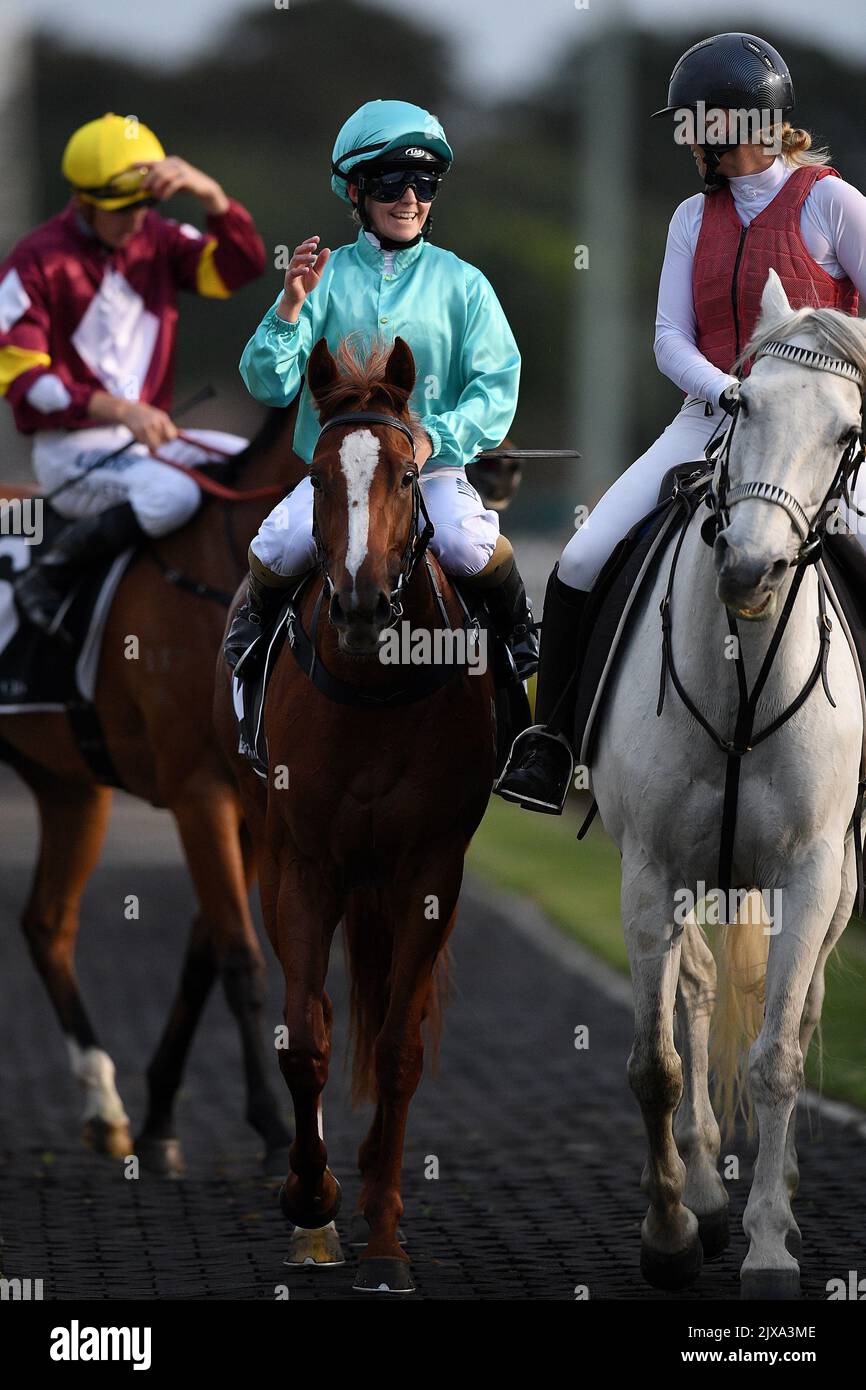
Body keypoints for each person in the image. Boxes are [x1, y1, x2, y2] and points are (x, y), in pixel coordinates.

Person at [497, 31, 866, 813]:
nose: (691, 141)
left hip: (817, 437)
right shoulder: (692, 218)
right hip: (708, 420)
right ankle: (551, 745)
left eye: (702, 124)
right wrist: (729, 393)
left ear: (749, 124)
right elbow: (669, 338)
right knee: (581, 559)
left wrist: (826, 405)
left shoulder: (834, 204)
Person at [224, 99, 536, 682]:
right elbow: (269, 384)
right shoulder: (322, 278)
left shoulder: (465, 285)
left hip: (432, 470)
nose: (410, 197)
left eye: (424, 182)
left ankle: (520, 649)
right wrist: (290, 306)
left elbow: (496, 386)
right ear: (356, 192)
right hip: (335, 478)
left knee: (470, 545)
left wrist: (433, 439)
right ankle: (249, 659)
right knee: (279, 543)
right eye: (393, 182)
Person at [0, 112, 265, 637]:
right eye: (124, 209)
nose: (139, 219)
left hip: (150, 440)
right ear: (84, 199)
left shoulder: (160, 241)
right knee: (175, 496)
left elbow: (240, 267)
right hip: (71, 450)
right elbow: (23, 380)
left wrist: (211, 195)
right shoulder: (35, 261)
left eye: (148, 204)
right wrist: (121, 409)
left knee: (246, 467)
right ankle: (52, 573)